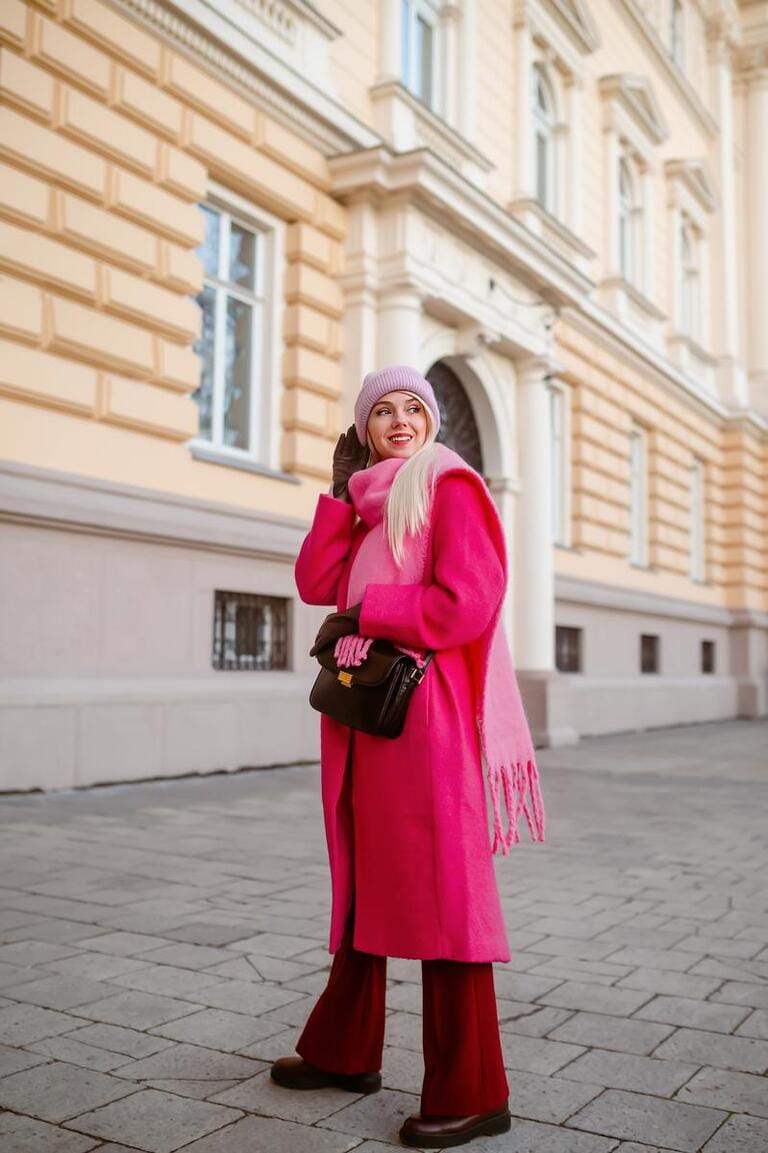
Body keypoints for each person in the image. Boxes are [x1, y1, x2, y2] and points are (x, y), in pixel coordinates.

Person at [271, 364, 546, 1149]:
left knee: (442, 894)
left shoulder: (449, 487)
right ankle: (343, 1051)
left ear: (432, 421)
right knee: (363, 883)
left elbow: (469, 600)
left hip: (426, 718)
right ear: (363, 429)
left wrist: (374, 608)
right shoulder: (365, 501)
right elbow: (315, 581)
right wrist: (334, 496)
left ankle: (475, 1087)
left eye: (412, 408)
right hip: (362, 713)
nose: (398, 420)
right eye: (381, 411)